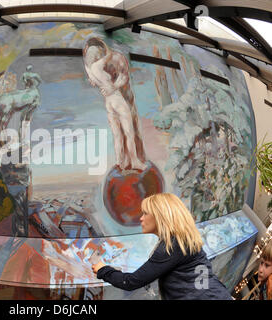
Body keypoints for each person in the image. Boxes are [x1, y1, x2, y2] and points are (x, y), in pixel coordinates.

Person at [92, 193, 232, 299]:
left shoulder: (171, 246)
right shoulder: (181, 241)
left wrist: (103, 270)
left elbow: (130, 282)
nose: (141, 218)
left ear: (161, 216)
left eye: (145, 213)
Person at [83, 37, 147, 171]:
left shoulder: (89, 69)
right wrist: (107, 49)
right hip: (117, 99)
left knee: (117, 134)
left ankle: (120, 162)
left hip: (108, 103)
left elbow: (94, 82)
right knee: (129, 133)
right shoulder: (99, 64)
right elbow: (112, 61)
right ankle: (134, 161)